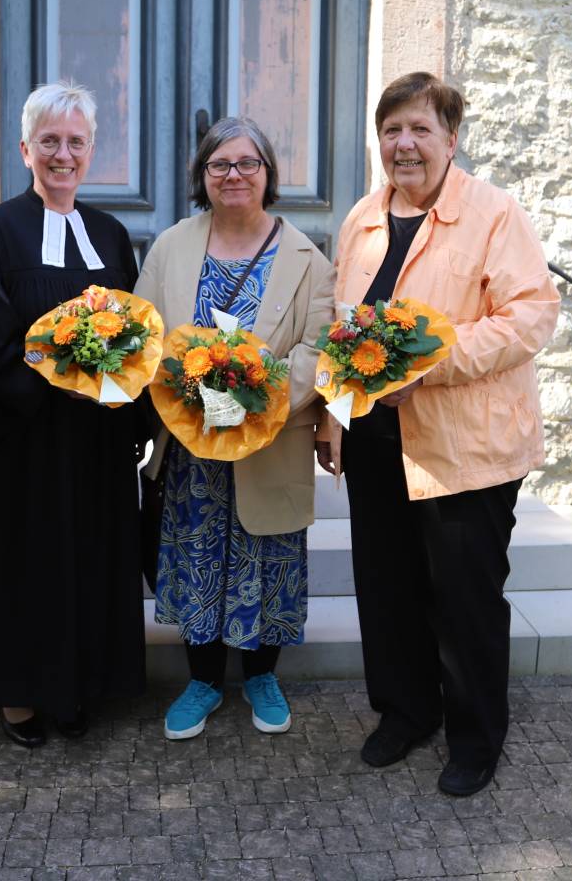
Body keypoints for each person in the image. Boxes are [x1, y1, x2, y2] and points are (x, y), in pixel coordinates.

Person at [323, 71, 559, 797]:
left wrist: (431, 364)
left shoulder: (493, 214)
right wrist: (335, 419)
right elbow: (345, 331)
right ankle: (405, 711)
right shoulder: (362, 220)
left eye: (420, 129)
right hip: (374, 439)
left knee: (464, 598)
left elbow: (531, 315)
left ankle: (476, 736)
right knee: (385, 587)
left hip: (467, 447)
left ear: (451, 139)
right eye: (392, 129)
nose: (405, 144)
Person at [0, 81, 147, 747]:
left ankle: (79, 685)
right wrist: (49, 380)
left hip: (94, 439)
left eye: (76, 142)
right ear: (25, 149)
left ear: (92, 150)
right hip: (22, 441)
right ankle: (19, 694)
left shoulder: (111, 234)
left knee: (89, 560)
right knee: (24, 564)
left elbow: (137, 334)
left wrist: (120, 395)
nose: (63, 155)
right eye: (50, 142)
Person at [134, 117, 335, 741]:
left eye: (248, 163)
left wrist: (257, 396)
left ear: (269, 174)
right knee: (196, 557)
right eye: (219, 165)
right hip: (191, 444)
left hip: (269, 440)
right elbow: (145, 331)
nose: (234, 175)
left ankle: (261, 677)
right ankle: (202, 682)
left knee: (267, 556)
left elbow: (319, 346)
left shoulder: (307, 257)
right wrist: (188, 391)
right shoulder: (171, 245)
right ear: (202, 176)